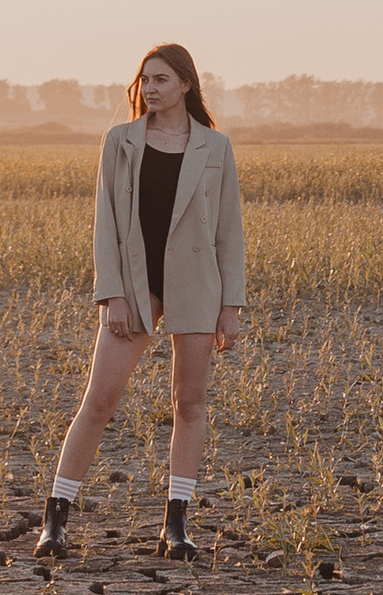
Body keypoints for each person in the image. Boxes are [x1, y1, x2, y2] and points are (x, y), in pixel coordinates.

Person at [34, 43, 245, 567]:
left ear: (186, 84)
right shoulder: (121, 141)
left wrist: (231, 305)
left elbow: (229, 231)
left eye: (161, 79)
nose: (150, 88)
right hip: (134, 283)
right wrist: (112, 294)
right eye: (145, 80)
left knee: (189, 403)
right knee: (100, 400)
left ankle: (176, 524)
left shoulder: (216, 147)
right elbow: (105, 222)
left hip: (197, 283)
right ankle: (55, 518)